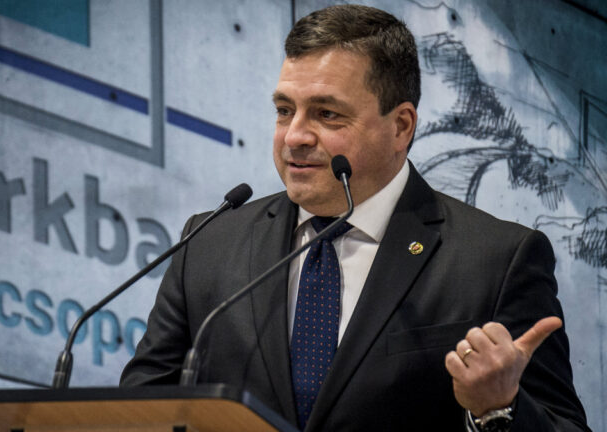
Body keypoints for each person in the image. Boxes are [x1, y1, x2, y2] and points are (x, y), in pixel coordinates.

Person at [121, 4, 589, 431]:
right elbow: (137, 409)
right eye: (284, 111)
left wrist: (497, 408)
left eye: (326, 114)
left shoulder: (496, 260)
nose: (294, 136)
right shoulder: (209, 243)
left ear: (401, 126)